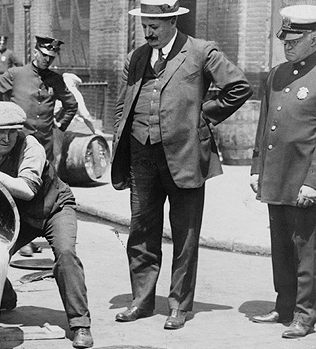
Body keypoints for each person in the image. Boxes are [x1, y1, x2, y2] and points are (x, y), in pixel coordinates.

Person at [111, 0, 253, 330]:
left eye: (154, 27)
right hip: (142, 156)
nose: (148, 32)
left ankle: (179, 304)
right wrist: (123, 136)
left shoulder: (201, 51)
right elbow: (123, 104)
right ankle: (141, 301)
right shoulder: (137, 57)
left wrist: (203, 117)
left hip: (185, 155)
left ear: (173, 23)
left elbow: (239, 87)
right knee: (141, 231)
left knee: (185, 235)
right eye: (144, 26)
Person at [0, 101, 93, 349]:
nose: (7, 137)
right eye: (0, 131)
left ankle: (80, 324)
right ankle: (5, 296)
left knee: (66, 255)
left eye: (12, 131)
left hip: (54, 207)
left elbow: (27, 189)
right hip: (21, 216)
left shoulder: (30, 146)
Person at [250, 4, 316, 339]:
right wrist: (256, 167)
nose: (287, 44)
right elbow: (265, 125)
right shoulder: (275, 73)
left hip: (303, 179)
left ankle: (305, 315)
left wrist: (313, 182)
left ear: (314, 39)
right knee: (281, 246)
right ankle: (285, 305)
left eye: (295, 38)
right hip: (276, 176)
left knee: (305, 249)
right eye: (285, 38)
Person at [0, 35, 78, 167]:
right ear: (35, 53)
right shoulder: (15, 74)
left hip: (44, 144)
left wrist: (61, 126)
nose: (47, 60)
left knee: (45, 180)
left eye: (51, 57)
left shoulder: (56, 80)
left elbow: (72, 105)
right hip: (17, 143)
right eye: (44, 55)